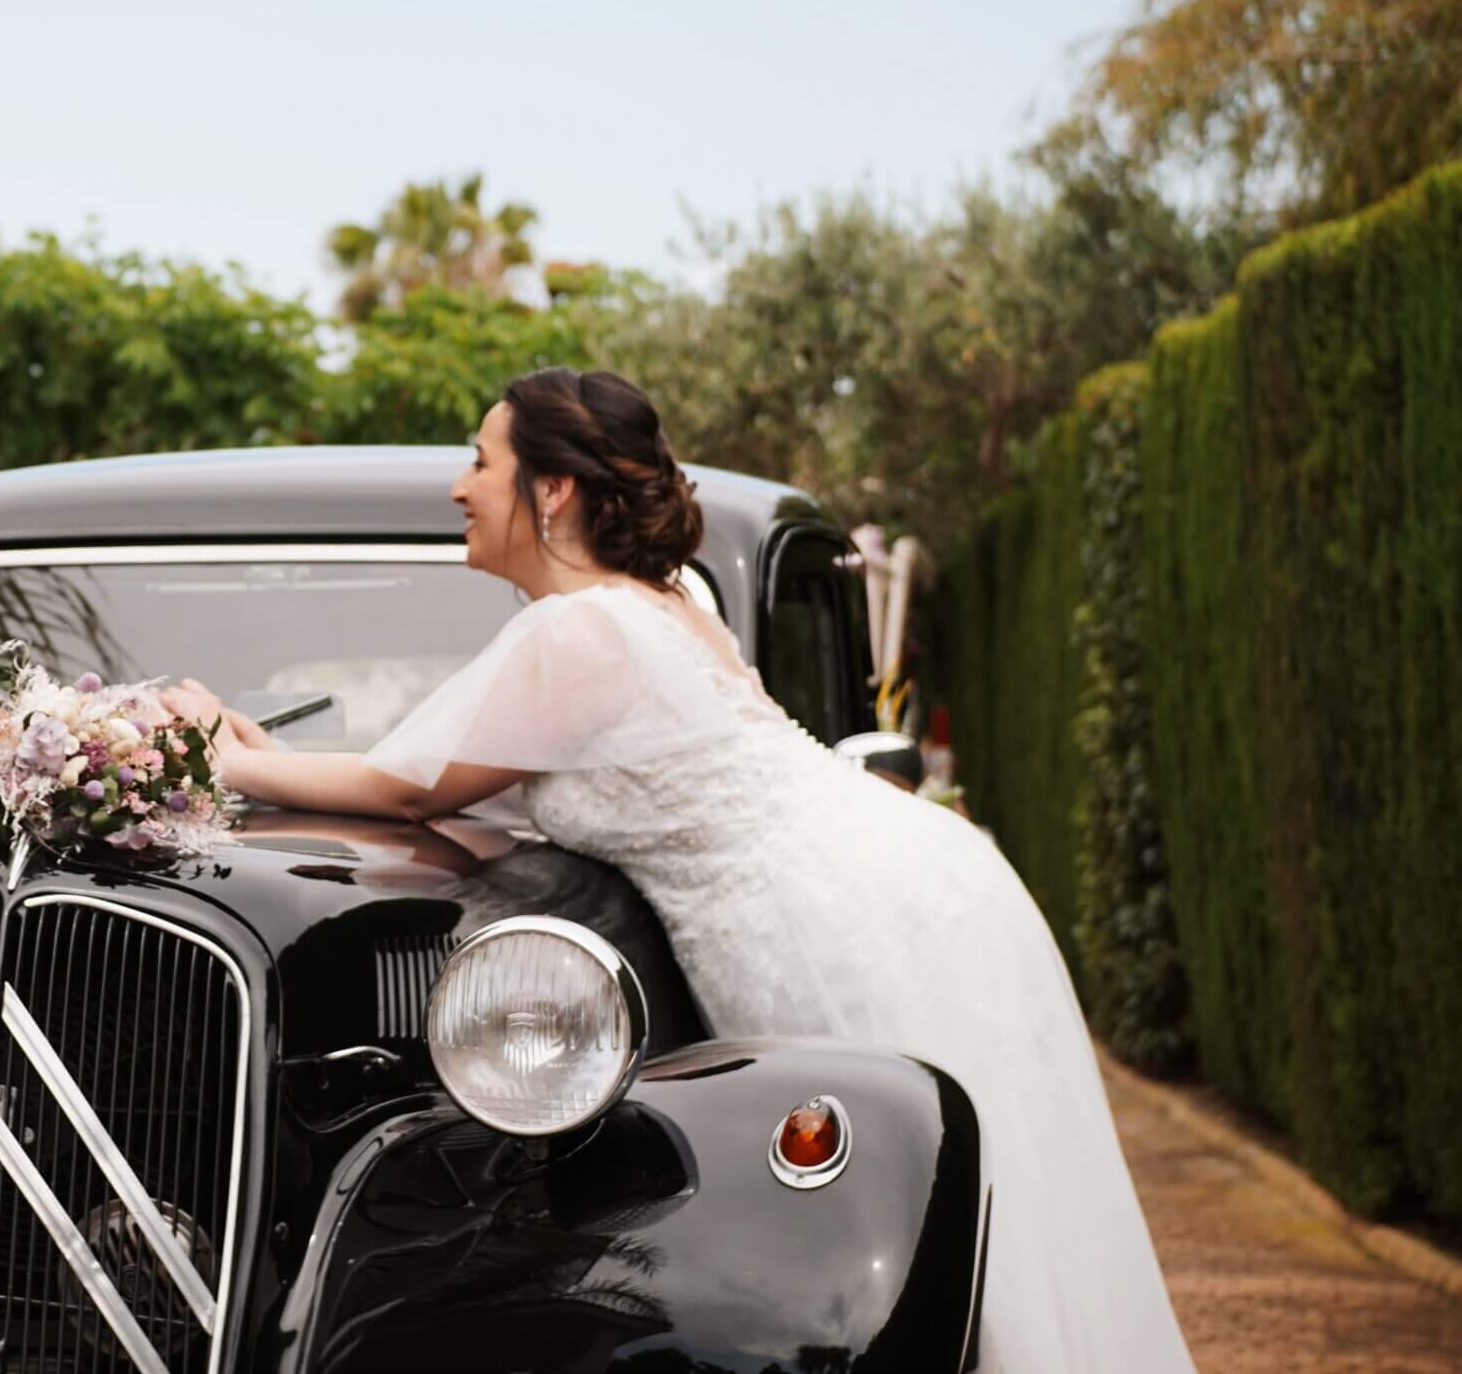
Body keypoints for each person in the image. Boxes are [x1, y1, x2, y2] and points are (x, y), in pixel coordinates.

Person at [191, 366, 1194, 1373]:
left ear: (551, 491)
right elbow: (432, 766)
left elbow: (406, 788)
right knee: (1009, 1213)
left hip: (832, 924)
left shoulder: (574, 629)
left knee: (906, 1219)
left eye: (481, 460)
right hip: (910, 884)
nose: (461, 486)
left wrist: (216, 758)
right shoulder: (656, 605)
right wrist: (254, 757)